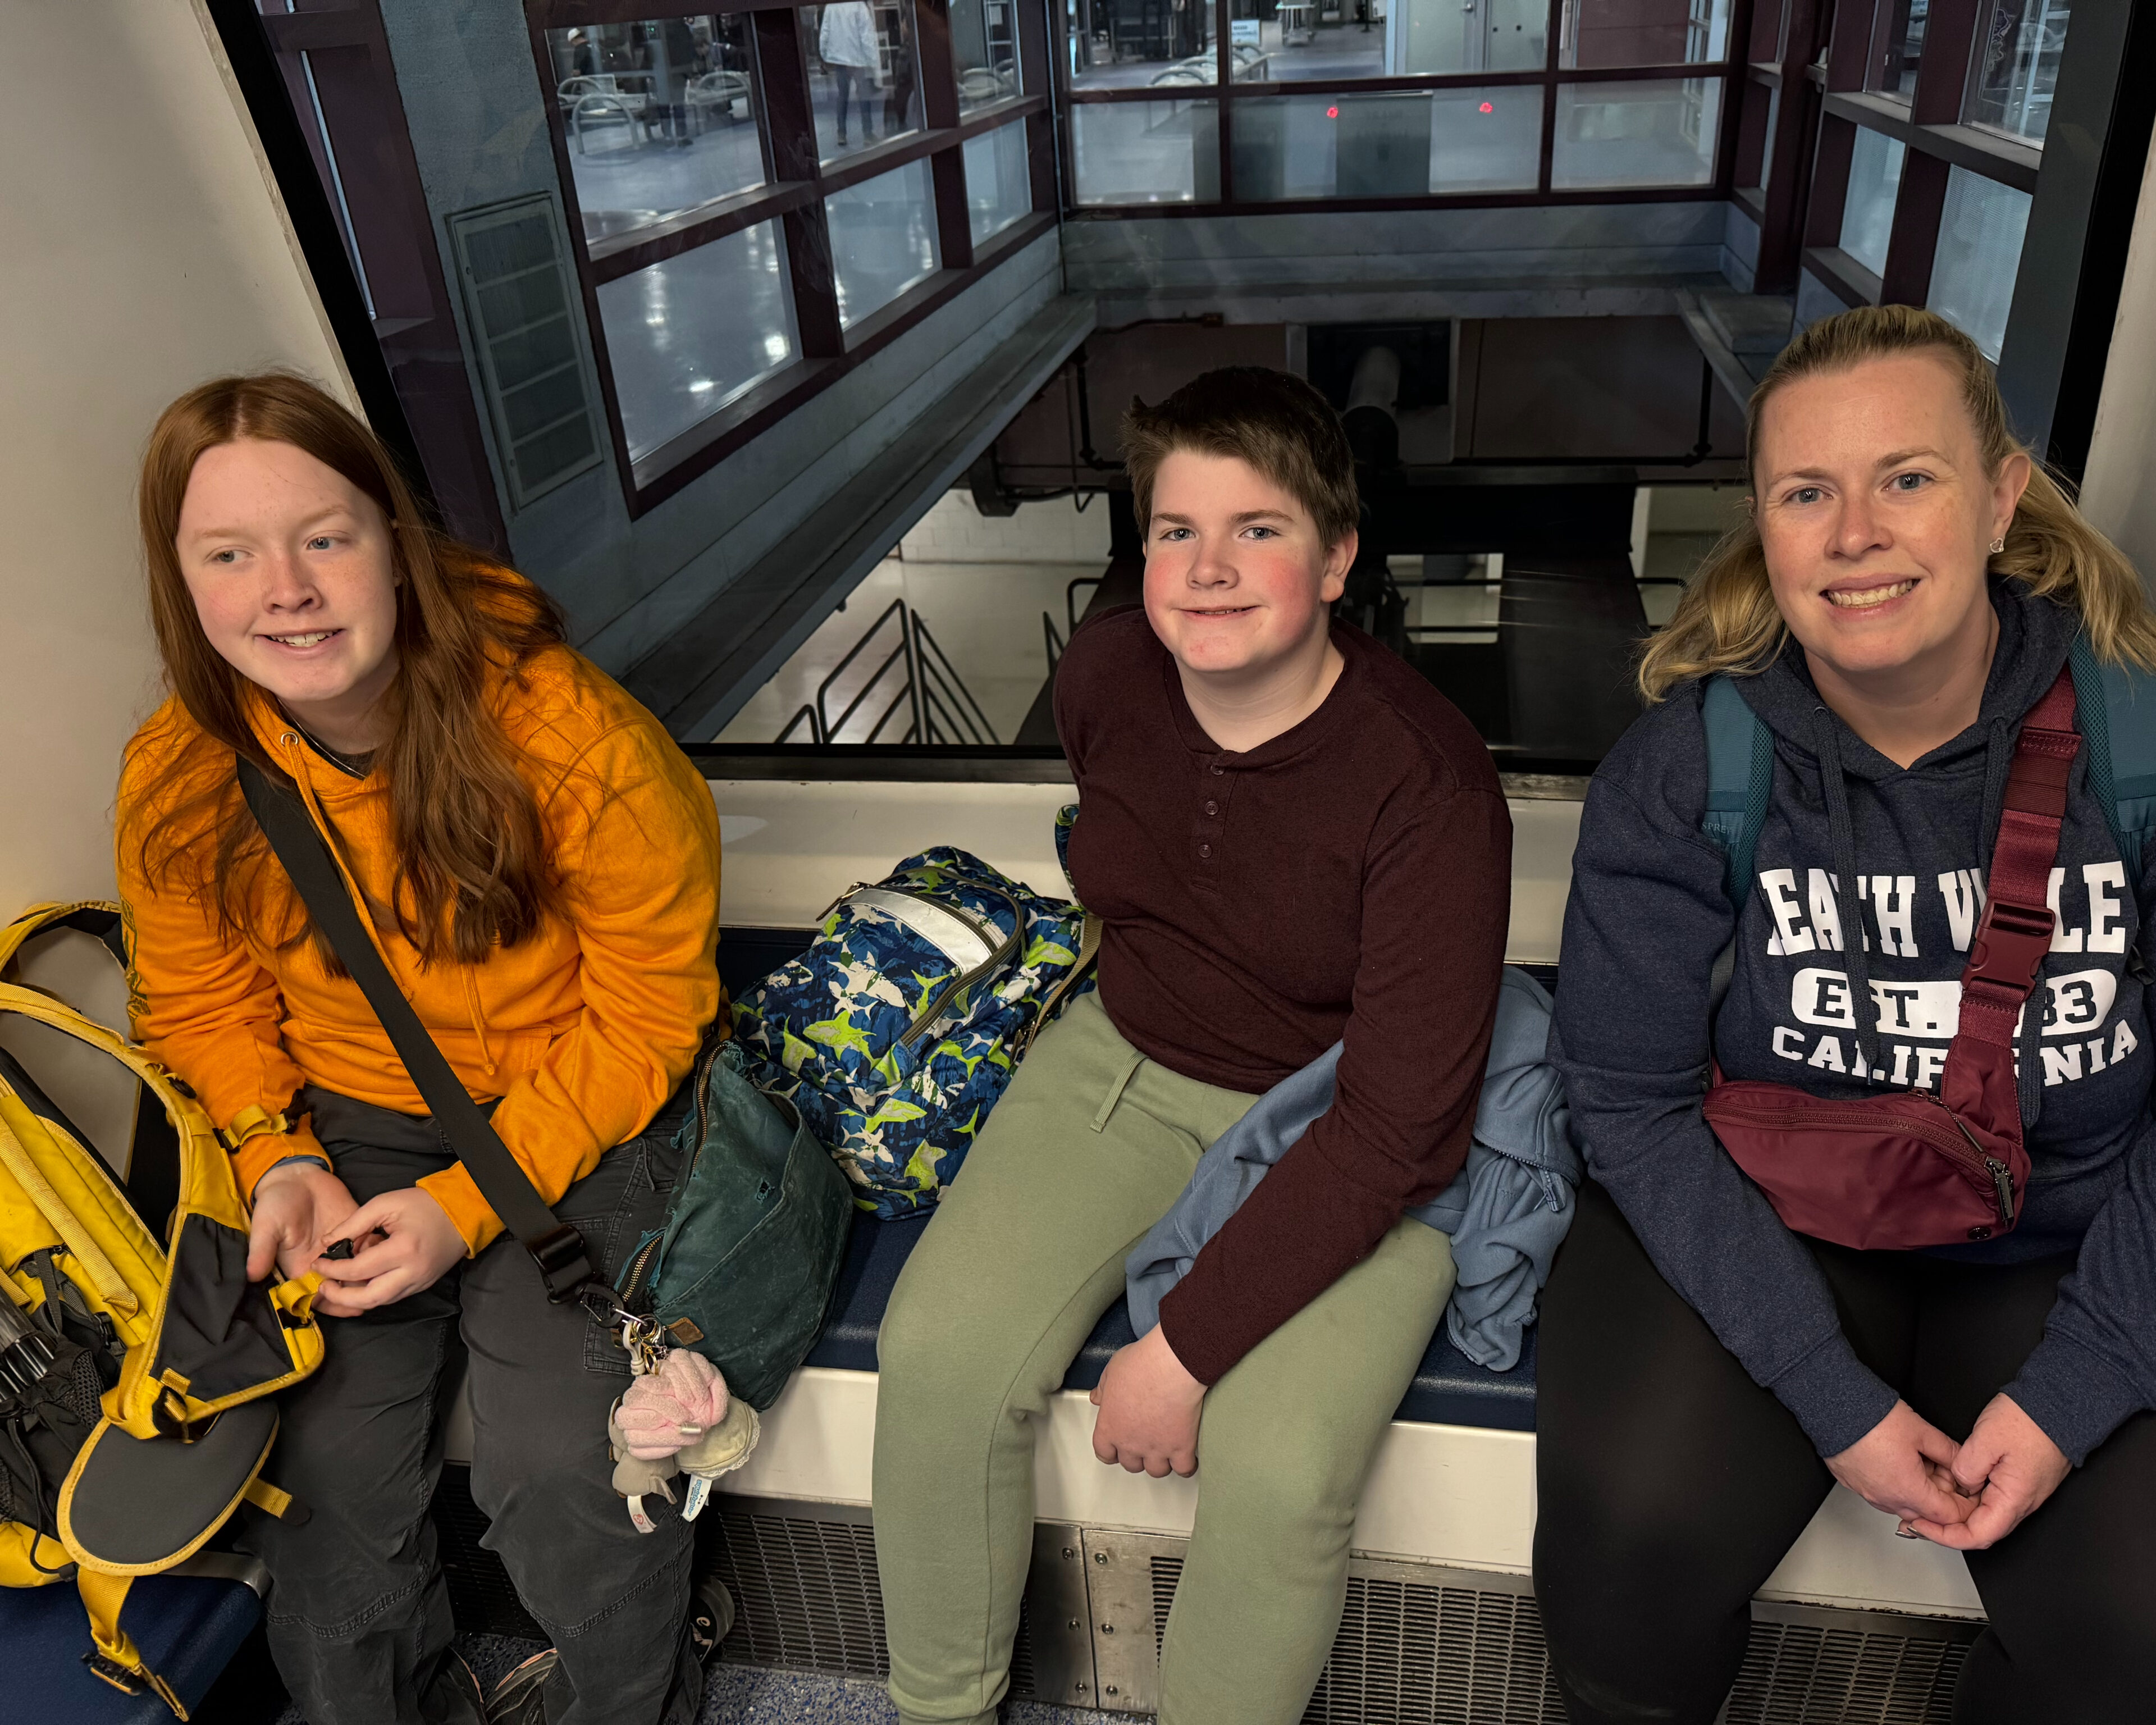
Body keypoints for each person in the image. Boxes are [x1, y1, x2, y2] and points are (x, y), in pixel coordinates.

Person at [1540, 304, 2156, 1724]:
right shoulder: (1688, 763)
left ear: (2002, 494)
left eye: (1907, 477)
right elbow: (1625, 1099)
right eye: (1806, 492)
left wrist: (2074, 1395)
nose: (1853, 533)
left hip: (2077, 1223)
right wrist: (1833, 1398)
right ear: (1762, 524)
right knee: (1624, 1547)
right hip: (1782, 1218)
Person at [869, 366, 1514, 1725]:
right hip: (1126, 1054)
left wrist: (1184, 1347)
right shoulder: (1108, 670)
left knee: (1277, 1459)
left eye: (1258, 529)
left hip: (1343, 1118)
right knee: (936, 1353)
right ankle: (937, 1706)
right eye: (1175, 531)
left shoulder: (1428, 779)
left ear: (1337, 558)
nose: (1208, 570)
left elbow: (1401, 1126)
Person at [115, 375, 728, 1725]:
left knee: (567, 1460)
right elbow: (199, 1000)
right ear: (183, 580)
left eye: (324, 536)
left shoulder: (568, 734)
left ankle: (635, 1700)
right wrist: (276, 1151)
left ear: (395, 541)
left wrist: (463, 1207)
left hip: (585, 1094)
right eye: (229, 553)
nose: (286, 588)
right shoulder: (180, 767)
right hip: (348, 1120)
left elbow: (649, 1009)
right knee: (311, 1464)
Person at [817, 1, 880, 148]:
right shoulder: (859, 5)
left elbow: (825, 31)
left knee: (842, 97)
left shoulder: (831, 6)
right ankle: (868, 134)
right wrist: (872, 59)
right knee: (864, 96)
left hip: (841, 61)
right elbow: (866, 34)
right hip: (858, 60)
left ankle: (841, 133)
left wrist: (824, 54)